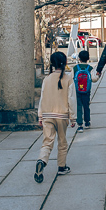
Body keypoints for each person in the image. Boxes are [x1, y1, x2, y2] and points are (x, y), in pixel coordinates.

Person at [35, 51, 76, 183]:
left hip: (47, 114)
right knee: (62, 142)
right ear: (65, 64)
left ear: (52, 64)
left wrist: (40, 116)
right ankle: (62, 166)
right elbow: (71, 99)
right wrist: (73, 117)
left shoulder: (46, 80)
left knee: (47, 141)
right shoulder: (69, 79)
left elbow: (42, 98)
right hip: (62, 115)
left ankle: (42, 160)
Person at [73, 50, 94, 130]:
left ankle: (80, 124)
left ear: (79, 58)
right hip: (86, 91)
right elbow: (94, 79)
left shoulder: (75, 68)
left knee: (79, 106)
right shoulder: (90, 68)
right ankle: (87, 122)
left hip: (77, 91)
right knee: (86, 106)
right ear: (88, 58)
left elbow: (71, 79)